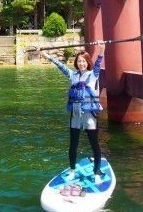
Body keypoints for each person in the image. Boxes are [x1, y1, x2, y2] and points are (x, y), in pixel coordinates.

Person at [38, 47, 106, 184]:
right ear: (76, 62)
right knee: (73, 145)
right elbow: (60, 66)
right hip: (75, 114)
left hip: (89, 115)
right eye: (79, 61)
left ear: (87, 62)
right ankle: (73, 170)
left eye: (84, 61)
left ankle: (96, 172)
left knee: (94, 145)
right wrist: (46, 55)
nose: (81, 63)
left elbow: (98, 63)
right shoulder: (73, 75)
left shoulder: (93, 75)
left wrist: (102, 49)